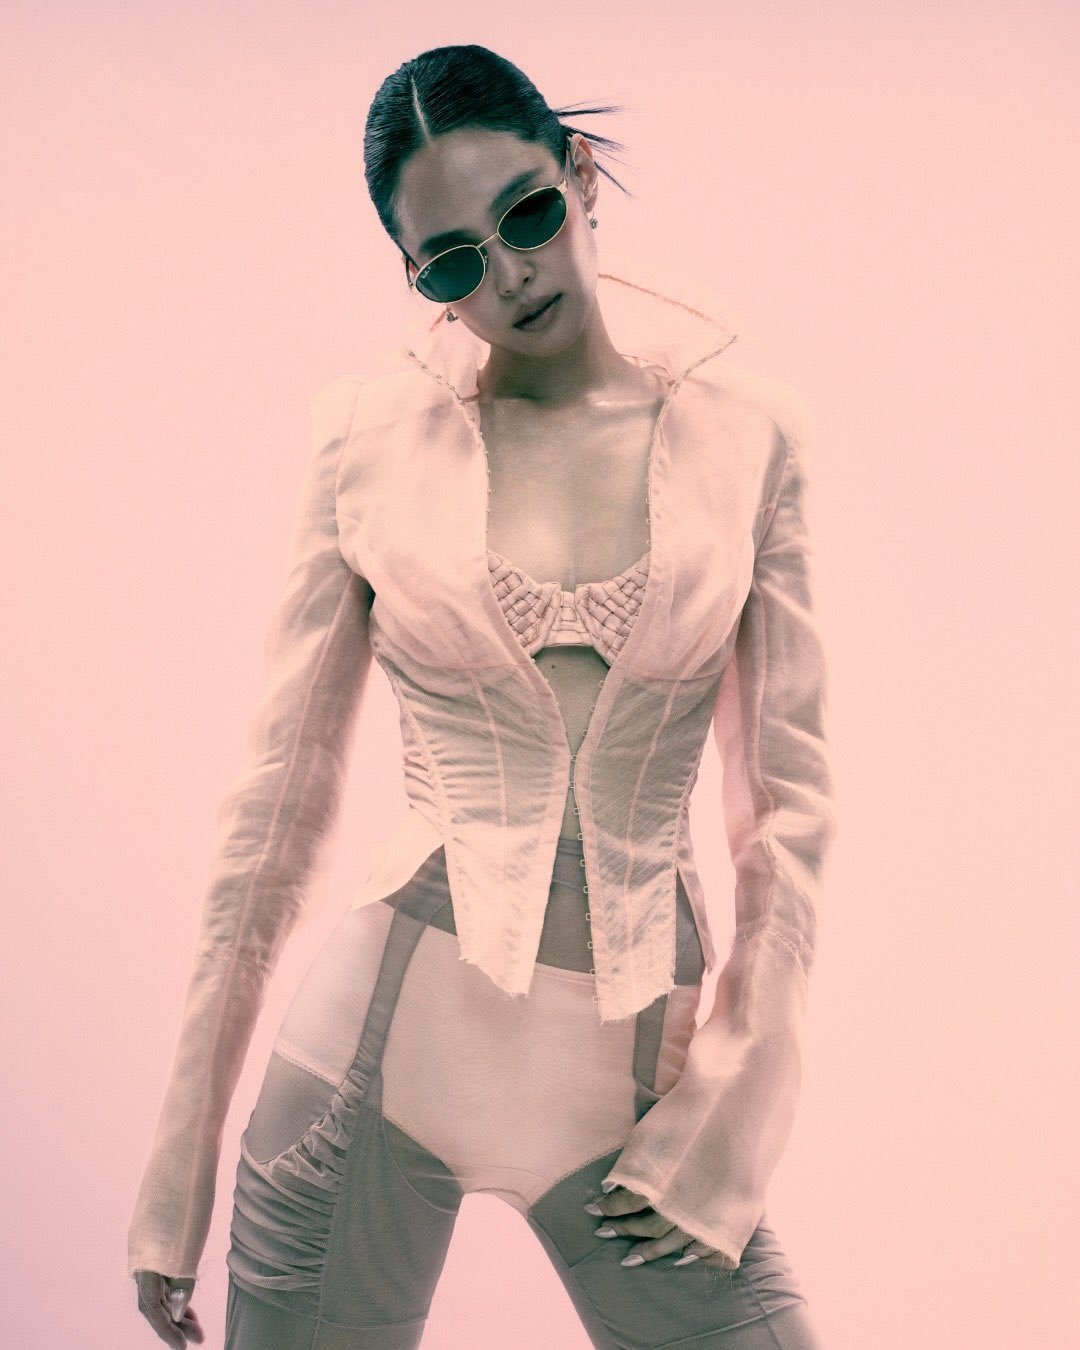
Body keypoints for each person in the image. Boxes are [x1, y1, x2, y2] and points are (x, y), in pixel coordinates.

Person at [128, 43, 837, 1350]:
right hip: (373, 1065)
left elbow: (787, 816)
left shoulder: (752, 435)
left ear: (579, 172)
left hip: (637, 1091)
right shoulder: (364, 438)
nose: (509, 275)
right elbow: (274, 814)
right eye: (452, 261)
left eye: (528, 213)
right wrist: (177, 1179)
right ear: (415, 278)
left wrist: (736, 1115)